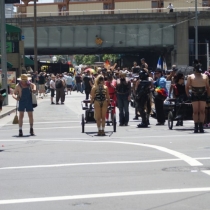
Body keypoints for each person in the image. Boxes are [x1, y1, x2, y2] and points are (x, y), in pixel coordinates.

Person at [185, 61, 210, 133]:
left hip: (202, 94)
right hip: (194, 94)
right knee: (195, 111)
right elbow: (187, 87)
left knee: (202, 111)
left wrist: (208, 95)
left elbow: (208, 87)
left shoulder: (205, 76)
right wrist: (188, 95)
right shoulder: (191, 76)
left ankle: (201, 126)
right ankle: (196, 126)